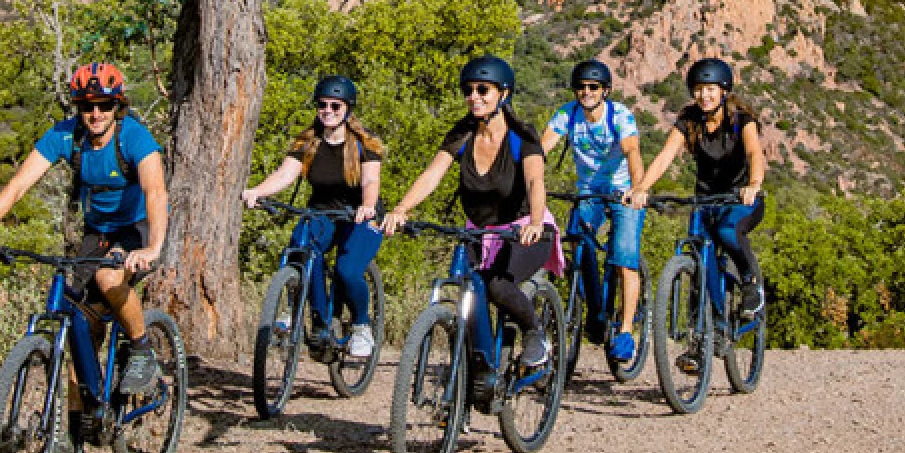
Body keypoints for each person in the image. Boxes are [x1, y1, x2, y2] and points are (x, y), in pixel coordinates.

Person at [0, 62, 168, 453]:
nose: (95, 115)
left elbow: (156, 191)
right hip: (96, 233)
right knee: (71, 319)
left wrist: (153, 248)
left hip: (137, 228)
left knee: (110, 274)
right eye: (87, 106)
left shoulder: (134, 137)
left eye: (104, 106)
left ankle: (142, 347)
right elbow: (20, 184)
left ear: (118, 106)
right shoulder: (66, 136)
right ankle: (74, 430)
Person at [381, 55, 562, 367]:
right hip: (479, 230)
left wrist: (534, 221)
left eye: (483, 89)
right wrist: (401, 209)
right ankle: (477, 369)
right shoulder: (463, 133)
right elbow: (431, 176)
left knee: (497, 285)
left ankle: (534, 333)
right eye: (468, 90)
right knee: (467, 283)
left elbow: (535, 180)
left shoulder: (522, 137)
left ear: (503, 94)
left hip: (524, 229)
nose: (474, 96)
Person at [242, 75, 384, 357]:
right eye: (322, 105)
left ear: (347, 110)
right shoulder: (309, 142)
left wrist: (367, 206)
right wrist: (257, 191)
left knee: (348, 270)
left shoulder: (363, 144)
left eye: (335, 106)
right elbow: (285, 174)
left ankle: (361, 326)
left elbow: (370, 182)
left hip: (361, 217)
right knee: (301, 247)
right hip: (323, 213)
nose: (328, 111)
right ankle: (307, 317)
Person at [631, 57, 767, 327]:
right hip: (705, 200)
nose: (703, 95)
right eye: (698, 89)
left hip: (740, 200)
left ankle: (751, 283)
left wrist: (753, 184)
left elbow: (754, 152)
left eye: (710, 89)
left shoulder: (741, 119)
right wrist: (641, 188)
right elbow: (666, 155)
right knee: (697, 254)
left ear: (724, 90)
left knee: (728, 232)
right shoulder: (690, 119)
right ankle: (706, 332)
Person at [541, 59, 646, 362]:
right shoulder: (567, 114)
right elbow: (541, 148)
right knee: (579, 243)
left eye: (593, 87)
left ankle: (626, 332)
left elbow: (632, 152)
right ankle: (595, 312)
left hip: (623, 190)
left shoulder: (620, 116)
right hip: (588, 190)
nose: (586, 92)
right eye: (581, 87)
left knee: (625, 257)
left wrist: (638, 189)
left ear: (605, 90)